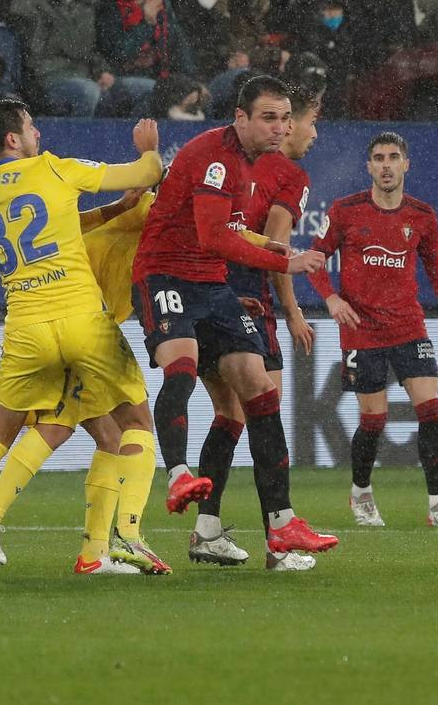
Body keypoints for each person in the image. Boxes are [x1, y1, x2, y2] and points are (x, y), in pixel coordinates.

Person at [0, 100, 165, 574]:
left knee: (3, 431)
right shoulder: (54, 168)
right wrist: (149, 150)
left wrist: (114, 209)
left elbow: (52, 230)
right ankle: (128, 535)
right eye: (31, 127)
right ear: (14, 140)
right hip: (81, 319)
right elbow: (145, 171)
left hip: (26, 326)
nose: (38, 134)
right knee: (135, 420)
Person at [131, 74, 340, 556]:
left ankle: (282, 522)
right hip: (164, 273)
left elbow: (231, 233)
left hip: (213, 282)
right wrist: (284, 261)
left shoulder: (258, 163)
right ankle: (179, 477)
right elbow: (211, 235)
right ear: (240, 117)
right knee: (180, 365)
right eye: (269, 118)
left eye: (286, 118)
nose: (281, 129)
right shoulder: (214, 155)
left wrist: (262, 260)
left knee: (258, 389)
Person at [0, 192, 171, 576]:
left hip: (68, 317)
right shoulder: (151, 208)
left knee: (100, 435)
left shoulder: (156, 215)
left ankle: (93, 554)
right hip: (79, 320)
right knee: (95, 425)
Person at [189, 87, 324, 572]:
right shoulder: (288, 173)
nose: (304, 132)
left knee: (229, 414)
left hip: (200, 296)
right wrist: (290, 312)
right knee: (264, 409)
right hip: (247, 301)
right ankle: (279, 541)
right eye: (306, 122)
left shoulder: (234, 158)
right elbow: (278, 252)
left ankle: (207, 528)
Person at [309, 131, 438, 528]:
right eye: (378, 158)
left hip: (408, 326)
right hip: (361, 331)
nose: (385, 164)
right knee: (374, 421)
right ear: (368, 166)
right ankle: (361, 494)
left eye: (393, 157)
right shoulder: (346, 210)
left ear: (405, 164)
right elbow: (315, 259)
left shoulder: (421, 215)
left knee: (431, 411)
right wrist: (331, 298)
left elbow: (435, 264)